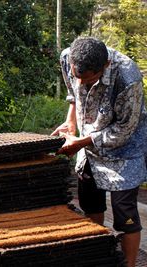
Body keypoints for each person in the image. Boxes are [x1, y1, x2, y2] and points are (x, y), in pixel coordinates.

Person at [52, 36, 147, 267]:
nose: (83, 84)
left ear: (105, 66)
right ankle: (98, 255)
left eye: (89, 80)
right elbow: (73, 94)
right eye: (79, 77)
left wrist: (82, 141)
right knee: (91, 204)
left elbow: (124, 129)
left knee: (125, 215)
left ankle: (130, 264)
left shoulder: (128, 78)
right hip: (87, 145)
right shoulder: (68, 57)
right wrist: (70, 122)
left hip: (125, 150)